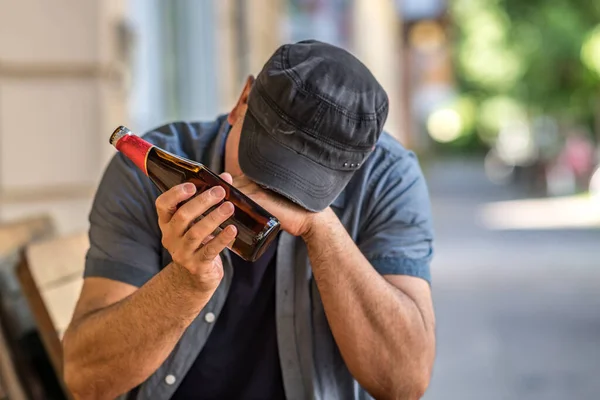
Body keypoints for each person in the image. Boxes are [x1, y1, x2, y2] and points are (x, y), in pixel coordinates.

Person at [63, 40, 435, 400]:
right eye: (265, 165)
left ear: (362, 158)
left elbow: (403, 384)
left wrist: (320, 227)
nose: (274, 194)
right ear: (243, 101)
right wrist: (186, 282)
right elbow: (87, 381)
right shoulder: (149, 174)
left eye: (306, 183)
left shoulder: (389, 176)